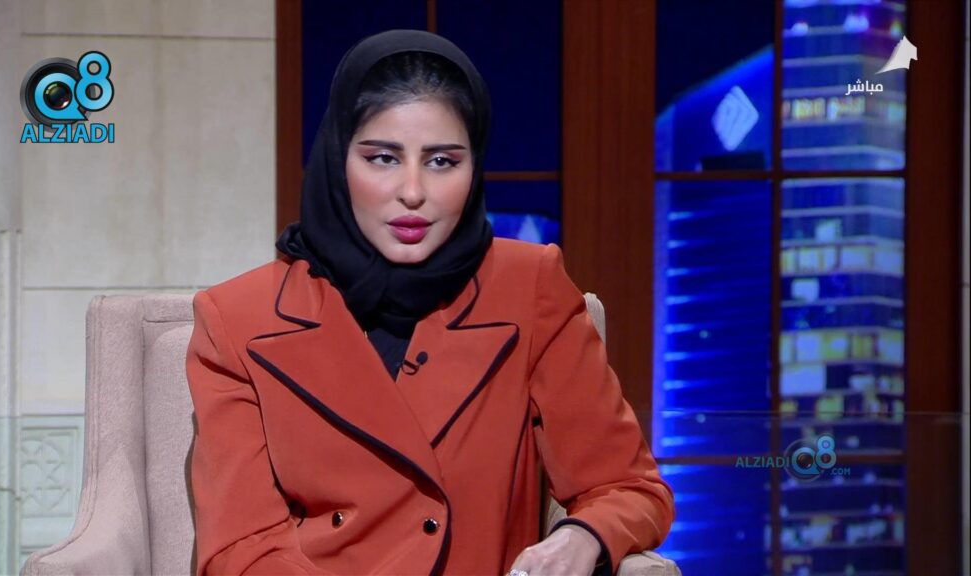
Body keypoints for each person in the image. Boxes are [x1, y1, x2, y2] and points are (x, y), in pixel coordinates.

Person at [186, 29, 674, 576]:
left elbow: (627, 486)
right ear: (338, 158)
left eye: (442, 161)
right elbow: (241, 548)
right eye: (382, 158)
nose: (413, 191)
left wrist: (582, 537)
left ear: (474, 167)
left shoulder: (529, 288)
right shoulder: (237, 319)